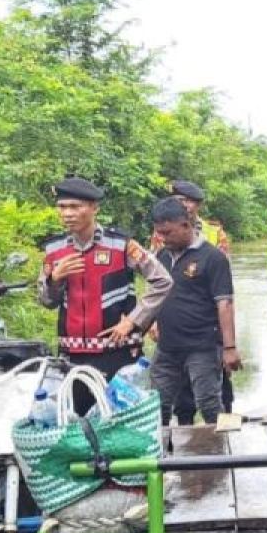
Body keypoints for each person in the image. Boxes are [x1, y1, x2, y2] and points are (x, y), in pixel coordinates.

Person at [38, 177, 173, 413]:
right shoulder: (54, 250)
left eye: (75, 206)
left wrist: (133, 320)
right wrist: (55, 279)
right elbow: (47, 301)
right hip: (73, 358)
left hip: (119, 355)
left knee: (122, 425)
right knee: (79, 427)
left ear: (94, 208)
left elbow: (163, 281)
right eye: (62, 207)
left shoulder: (121, 245)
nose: (67, 213)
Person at [149, 197, 241, 425]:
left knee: (209, 403)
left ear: (186, 225)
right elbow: (153, 294)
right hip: (167, 347)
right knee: (156, 404)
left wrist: (229, 348)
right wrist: (150, 323)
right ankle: (162, 454)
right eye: (159, 232)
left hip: (202, 346)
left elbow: (225, 304)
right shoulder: (161, 257)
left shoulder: (213, 258)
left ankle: (221, 455)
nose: (162, 238)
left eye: (168, 232)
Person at [150, 179, 231, 256]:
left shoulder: (216, 233)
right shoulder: (163, 232)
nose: (184, 206)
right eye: (179, 200)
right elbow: (155, 263)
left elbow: (223, 266)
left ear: (199, 205)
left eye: (188, 201)